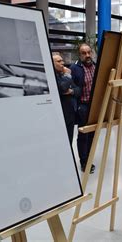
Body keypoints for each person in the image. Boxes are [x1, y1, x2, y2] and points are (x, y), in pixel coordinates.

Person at [71, 43, 96, 174]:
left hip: (95, 106)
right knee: (83, 135)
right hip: (83, 106)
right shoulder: (75, 69)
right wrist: (77, 105)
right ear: (79, 55)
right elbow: (72, 88)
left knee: (93, 134)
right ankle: (84, 162)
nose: (87, 55)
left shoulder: (96, 67)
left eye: (88, 52)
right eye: (83, 53)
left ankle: (89, 158)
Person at [52, 52, 79, 145]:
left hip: (70, 115)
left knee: (69, 141)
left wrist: (71, 91)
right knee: (61, 143)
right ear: (52, 63)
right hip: (60, 117)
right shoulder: (53, 76)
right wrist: (68, 75)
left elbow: (78, 89)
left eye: (62, 60)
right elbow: (62, 88)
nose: (62, 63)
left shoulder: (62, 74)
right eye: (59, 61)